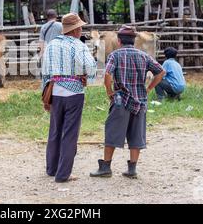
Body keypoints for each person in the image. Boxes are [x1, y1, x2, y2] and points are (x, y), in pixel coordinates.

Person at [90, 26, 165, 179]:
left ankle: (106, 167)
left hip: (121, 100)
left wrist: (109, 91)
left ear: (118, 41)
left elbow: (107, 75)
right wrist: (149, 88)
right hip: (140, 101)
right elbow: (161, 71)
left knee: (112, 132)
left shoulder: (115, 55)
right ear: (134, 40)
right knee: (136, 134)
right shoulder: (143, 56)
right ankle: (132, 169)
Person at [41, 13, 97, 183]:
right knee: (70, 134)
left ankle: (51, 169)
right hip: (74, 94)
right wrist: (87, 76)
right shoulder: (79, 46)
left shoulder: (51, 45)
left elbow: (45, 71)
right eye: (80, 27)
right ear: (76, 29)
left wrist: (45, 95)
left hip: (55, 92)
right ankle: (63, 174)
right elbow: (91, 67)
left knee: (55, 131)